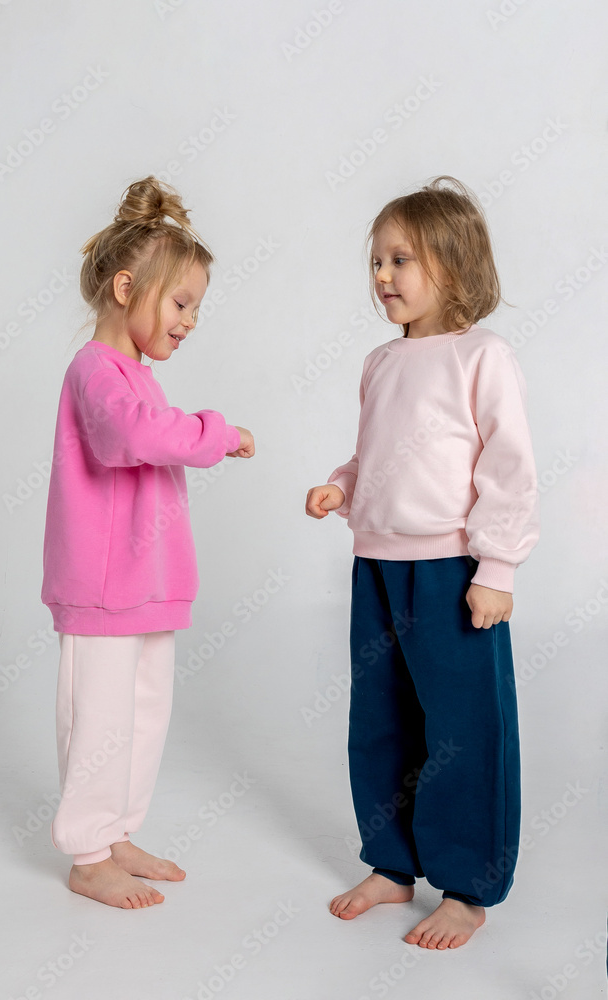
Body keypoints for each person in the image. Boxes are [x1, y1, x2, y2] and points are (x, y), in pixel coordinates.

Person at [305, 176, 539, 949]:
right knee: (380, 721)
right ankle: (392, 862)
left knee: (463, 730)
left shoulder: (481, 356)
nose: (381, 275)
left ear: (453, 263)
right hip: (376, 566)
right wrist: (341, 487)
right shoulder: (380, 362)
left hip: (450, 571)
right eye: (375, 261)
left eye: (399, 260)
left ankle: (467, 887)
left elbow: (508, 466)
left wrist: (496, 568)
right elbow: (375, 453)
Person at [40, 176, 254, 909]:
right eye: (181, 303)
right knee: (99, 716)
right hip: (102, 587)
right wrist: (215, 432)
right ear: (126, 288)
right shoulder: (95, 372)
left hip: (147, 583)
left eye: (196, 308)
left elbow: (151, 439)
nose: (190, 321)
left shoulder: (135, 375)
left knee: (141, 713)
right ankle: (87, 851)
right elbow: (131, 437)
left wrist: (197, 434)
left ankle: (117, 831)